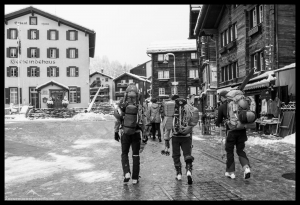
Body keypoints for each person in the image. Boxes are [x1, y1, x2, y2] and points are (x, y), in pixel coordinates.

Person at [113, 84, 146, 185]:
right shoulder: (141, 105)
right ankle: (135, 178)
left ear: (126, 93)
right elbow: (144, 120)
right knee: (135, 155)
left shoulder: (122, 103)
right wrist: (145, 134)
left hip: (125, 132)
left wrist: (116, 131)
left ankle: (126, 172)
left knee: (124, 154)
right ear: (137, 93)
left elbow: (118, 118)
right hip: (136, 133)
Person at [215, 90, 251, 179]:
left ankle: (231, 172)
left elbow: (218, 121)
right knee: (240, 151)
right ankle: (246, 168)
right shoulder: (242, 104)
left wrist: (220, 122)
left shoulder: (224, 106)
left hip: (231, 132)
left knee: (230, 152)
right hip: (242, 131)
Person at [164, 97, 199, 185]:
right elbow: (192, 123)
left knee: (176, 155)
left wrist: (166, 139)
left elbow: (167, 127)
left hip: (175, 137)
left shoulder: (171, 110)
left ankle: (179, 173)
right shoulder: (189, 109)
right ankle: (188, 171)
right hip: (186, 136)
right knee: (187, 154)